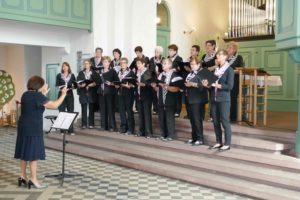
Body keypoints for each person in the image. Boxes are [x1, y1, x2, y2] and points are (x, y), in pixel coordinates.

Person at [14, 76, 68, 189]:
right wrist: (63, 94)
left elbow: (37, 103)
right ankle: (33, 179)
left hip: (23, 126)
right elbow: (54, 105)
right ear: (38, 85)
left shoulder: (25, 94)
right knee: (33, 153)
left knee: (24, 152)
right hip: (33, 127)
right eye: (43, 84)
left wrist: (43, 93)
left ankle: (22, 176)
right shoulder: (38, 96)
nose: (45, 86)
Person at [202, 49, 234, 151]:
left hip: (224, 99)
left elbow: (230, 86)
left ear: (225, 57)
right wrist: (207, 85)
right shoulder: (216, 70)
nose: (217, 57)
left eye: (219, 55)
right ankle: (218, 142)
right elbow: (211, 86)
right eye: (217, 56)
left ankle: (227, 143)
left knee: (224, 121)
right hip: (214, 98)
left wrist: (217, 85)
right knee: (215, 121)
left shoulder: (229, 70)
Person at [151, 58, 180, 141]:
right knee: (161, 118)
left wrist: (165, 86)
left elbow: (176, 88)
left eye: (165, 63)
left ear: (170, 65)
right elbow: (158, 89)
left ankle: (170, 135)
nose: (163, 65)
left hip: (170, 100)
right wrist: (154, 86)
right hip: (161, 100)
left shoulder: (174, 75)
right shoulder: (160, 75)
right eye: (163, 63)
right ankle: (163, 134)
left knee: (169, 119)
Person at [185, 57, 208, 145]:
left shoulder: (203, 72)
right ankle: (194, 138)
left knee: (197, 120)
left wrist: (192, 84)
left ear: (199, 64)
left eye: (193, 64)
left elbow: (204, 86)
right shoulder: (190, 73)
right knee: (192, 120)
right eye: (190, 64)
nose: (191, 66)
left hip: (198, 99)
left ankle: (200, 138)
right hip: (190, 99)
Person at [77, 59, 100, 129]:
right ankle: (84, 124)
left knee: (91, 109)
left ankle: (91, 124)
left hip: (91, 92)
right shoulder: (81, 73)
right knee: (83, 108)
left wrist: (91, 84)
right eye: (85, 64)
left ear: (90, 64)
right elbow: (78, 82)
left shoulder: (94, 73)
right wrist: (80, 85)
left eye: (87, 64)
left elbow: (97, 82)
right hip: (83, 92)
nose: (86, 65)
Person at [55, 62, 76, 135]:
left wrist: (72, 87)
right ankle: (62, 130)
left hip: (70, 95)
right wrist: (62, 90)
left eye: (66, 66)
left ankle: (71, 130)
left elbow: (75, 85)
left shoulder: (72, 75)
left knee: (70, 112)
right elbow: (57, 85)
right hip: (61, 95)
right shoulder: (58, 75)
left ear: (68, 67)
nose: (64, 67)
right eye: (63, 66)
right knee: (62, 112)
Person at [99, 56, 119, 132]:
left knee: (110, 109)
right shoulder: (100, 71)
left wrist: (111, 83)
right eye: (104, 62)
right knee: (103, 109)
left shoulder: (112, 71)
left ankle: (112, 126)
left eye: (106, 62)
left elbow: (117, 83)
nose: (105, 63)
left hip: (110, 92)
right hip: (101, 92)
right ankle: (103, 126)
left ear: (109, 63)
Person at [117, 57, 136, 134]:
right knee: (122, 111)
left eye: (124, 63)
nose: (122, 64)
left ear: (127, 64)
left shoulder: (131, 73)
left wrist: (129, 85)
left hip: (129, 94)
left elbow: (134, 85)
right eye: (121, 63)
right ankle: (123, 128)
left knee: (129, 111)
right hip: (120, 93)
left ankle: (130, 129)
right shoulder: (118, 72)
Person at [136, 57, 153, 138]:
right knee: (140, 114)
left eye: (139, 63)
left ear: (143, 64)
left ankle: (148, 132)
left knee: (147, 114)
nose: (137, 65)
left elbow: (151, 84)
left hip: (147, 96)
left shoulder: (148, 72)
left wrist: (144, 84)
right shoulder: (137, 72)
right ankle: (141, 131)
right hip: (139, 95)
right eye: (137, 64)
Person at [226, 41, 244, 122]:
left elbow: (241, 70)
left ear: (234, 49)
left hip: (234, 81)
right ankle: (225, 116)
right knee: (225, 99)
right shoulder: (225, 58)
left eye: (230, 48)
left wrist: (231, 71)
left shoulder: (239, 57)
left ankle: (232, 117)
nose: (228, 49)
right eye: (227, 47)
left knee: (232, 99)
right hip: (224, 81)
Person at [201, 40, 217, 122]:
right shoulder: (204, 56)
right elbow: (201, 66)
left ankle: (213, 116)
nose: (207, 47)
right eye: (206, 45)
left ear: (213, 46)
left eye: (209, 45)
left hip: (214, 77)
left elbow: (217, 65)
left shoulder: (217, 55)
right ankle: (203, 115)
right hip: (205, 77)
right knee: (204, 96)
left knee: (212, 97)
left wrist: (208, 69)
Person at [167, 44, 183, 118]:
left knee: (177, 94)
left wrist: (174, 69)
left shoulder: (179, 58)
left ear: (175, 51)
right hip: (169, 77)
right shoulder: (167, 58)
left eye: (171, 50)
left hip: (176, 77)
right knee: (170, 94)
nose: (169, 52)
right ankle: (172, 109)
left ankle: (178, 110)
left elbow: (180, 69)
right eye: (169, 50)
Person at [149, 46, 164, 114]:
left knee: (160, 93)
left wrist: (160, 71)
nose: (156, 53)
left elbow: (165, 68)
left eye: (157, 52)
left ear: (161, 53)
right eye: (155, 51)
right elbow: (150, 68)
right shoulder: (152, 59)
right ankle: (155, 108)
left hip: (161, 78)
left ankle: (161, 108)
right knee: (154, 94)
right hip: (154, 77)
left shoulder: (163, 59)